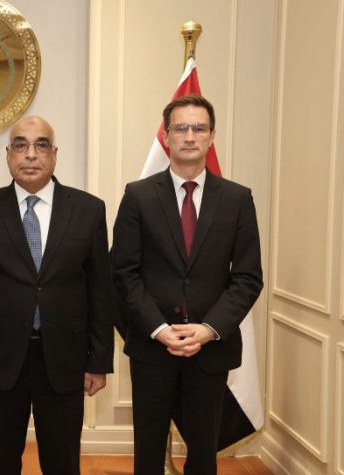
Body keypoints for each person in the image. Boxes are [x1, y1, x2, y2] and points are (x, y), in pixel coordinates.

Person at [0, 115, 114, 475]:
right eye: (20, 145)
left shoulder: (89, 210)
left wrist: (99, 361)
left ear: (54, 154)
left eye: (41, 145)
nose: (30, 154)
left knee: (62, 461)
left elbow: (101, 291)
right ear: (8, 155)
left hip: (65, 359)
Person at [111, 94, 263, 474]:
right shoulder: (138, 196)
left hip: (210, 350)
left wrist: (208, 329)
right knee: (148, 452)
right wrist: (159, 329)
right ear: (166, 137)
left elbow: (247, 277)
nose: (190, 136)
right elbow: (123, 273)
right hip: (152, 348)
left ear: (212, 136)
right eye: (181, 128)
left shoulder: (237, 199)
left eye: (199, 128)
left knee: (204, 454)